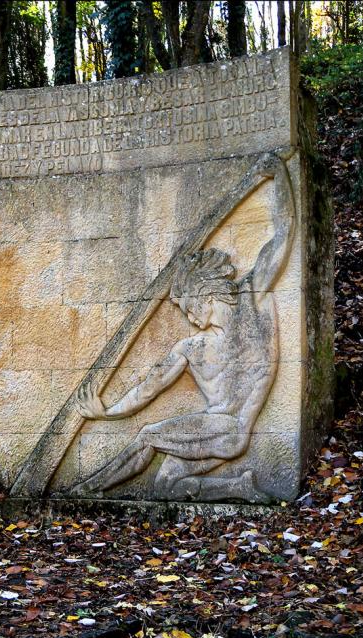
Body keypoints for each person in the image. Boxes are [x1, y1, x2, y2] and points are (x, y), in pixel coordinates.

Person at [73, 156, 294, 502]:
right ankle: (237, 488)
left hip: (230, 429)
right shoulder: (191, 348)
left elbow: (283, 234)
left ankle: (87, 489)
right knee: (165, 485)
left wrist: (280, 175)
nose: (189, 316)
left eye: (189, 306)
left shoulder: (255, 297)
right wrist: (108, 411)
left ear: (204, 294)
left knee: (148, 435)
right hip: (215, 431)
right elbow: (150, 387)